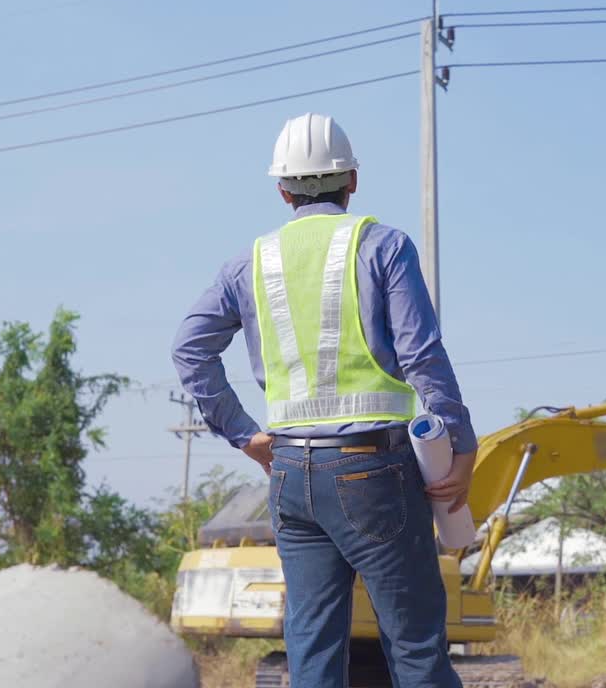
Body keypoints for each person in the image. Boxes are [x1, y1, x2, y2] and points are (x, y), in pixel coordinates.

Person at [172, 112, 477, 687]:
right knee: (415, 649)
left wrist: (245, 434)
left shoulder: (249, 263)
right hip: (374, 471)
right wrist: (461, 445)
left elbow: (190, 349)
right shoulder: (384, 246)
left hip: (290, 474)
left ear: (282, 189)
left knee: (312, 653)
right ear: (352, 181)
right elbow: (423, 357)